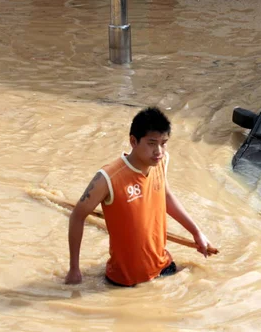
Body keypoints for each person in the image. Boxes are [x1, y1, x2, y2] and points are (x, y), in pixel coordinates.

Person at [64, 107, 212, 286]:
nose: (159, 151)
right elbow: (77, 216)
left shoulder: (161, 162)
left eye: (163, 143)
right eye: (151, 143)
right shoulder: (108, 178)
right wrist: (74, 269)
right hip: (124, 281)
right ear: (133, 141)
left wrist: (196, 232)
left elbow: (166, 195)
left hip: (164, 268)